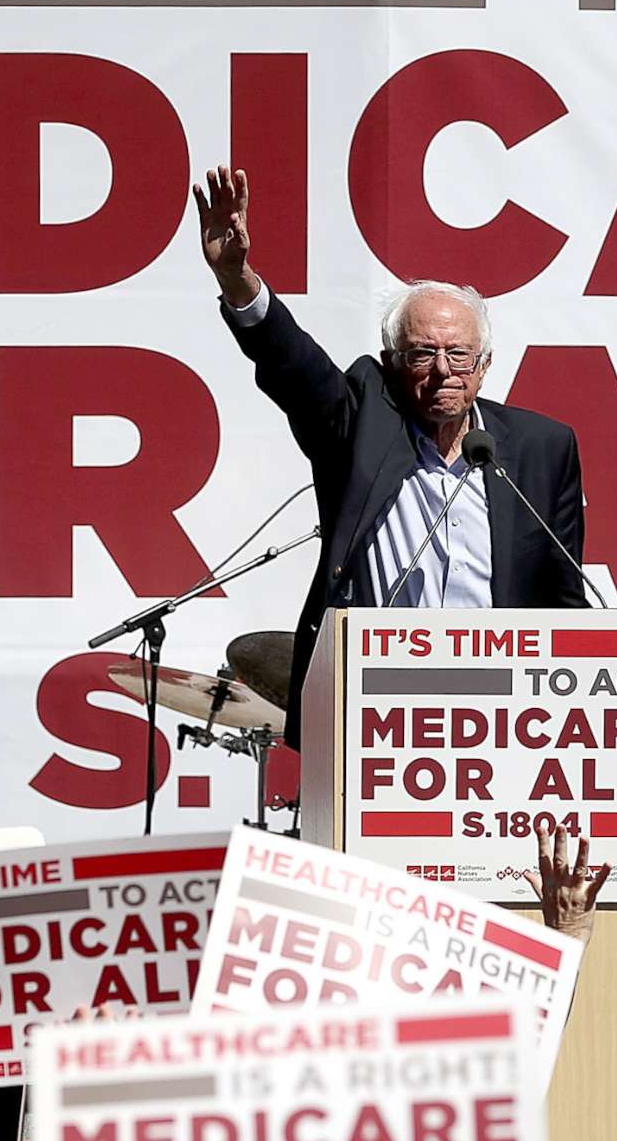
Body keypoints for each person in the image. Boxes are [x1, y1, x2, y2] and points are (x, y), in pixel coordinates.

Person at [194, 166, 589, 746]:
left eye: (459, 353)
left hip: (506, 719)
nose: (443, 371)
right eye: (422, 353)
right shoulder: (360, 423)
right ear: (393, 361)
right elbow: (294, 368)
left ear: (486, 364)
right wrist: (238, 279)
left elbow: (563, 602)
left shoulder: (541, 448)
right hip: (376, 709)